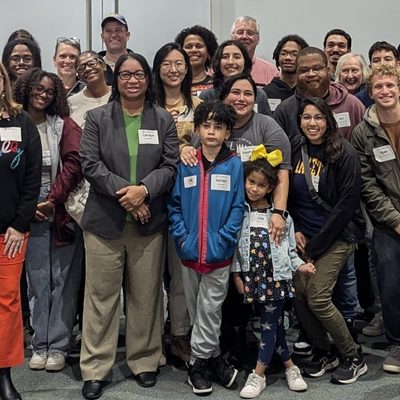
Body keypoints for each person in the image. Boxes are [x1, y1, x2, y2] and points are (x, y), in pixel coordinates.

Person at [79, 53, 179, 399]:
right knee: (101, 299)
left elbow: (170, 165)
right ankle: (95, 368)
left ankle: (144, 359)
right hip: (104, 224)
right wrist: (130, 196)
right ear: (115, 79)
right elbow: (90, 164)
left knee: (146, 296)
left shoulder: (162, 119)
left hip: (148, 225)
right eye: (125, 75)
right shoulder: (97, 118)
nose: (132, 80)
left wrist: (145, 190)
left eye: (138, 74)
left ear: (148, 79)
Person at [182, 74, 291, 369]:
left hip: (245, 226)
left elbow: (282, 171)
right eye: (235, 92)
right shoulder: (201, 143)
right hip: (199, 236)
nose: (241, 98)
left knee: (242, 290)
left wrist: (279, 213)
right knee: (212, 300)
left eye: (248, 93)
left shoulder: (266, 126)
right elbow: (180, 195)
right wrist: (183, 235)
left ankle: (232, 353)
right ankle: (216, 353)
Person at [168, 101, 245, 395]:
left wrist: (225, 238)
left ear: (227, 132)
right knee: (197, 310)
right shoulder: (187, 163)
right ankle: (214, 360)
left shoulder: (234, 164)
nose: (212, 132)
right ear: (198, 129)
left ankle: (196, 366)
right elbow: (175, 204)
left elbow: (237, 205)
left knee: (210, 309)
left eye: (218, 127)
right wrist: (182, 236)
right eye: (206, 126)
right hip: (189, 252)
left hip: (218, 253)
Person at [290, 97, 367, 384]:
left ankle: (353, 356)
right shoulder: (296, 148)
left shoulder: (344, 153)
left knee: (318, 297)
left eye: (319, 117)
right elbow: (291, 196)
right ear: (300, 121)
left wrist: (316, 246)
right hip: (304, 236)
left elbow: (346, 206)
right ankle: (324, 350)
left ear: (328, 120)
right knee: (298, 292)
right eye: (306, 117)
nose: (312, 123)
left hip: (337, 236)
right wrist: (296, 229)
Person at [13, 68, 83, 372]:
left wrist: (53, 199)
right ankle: (39, 343)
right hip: (26, 206)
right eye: (38, 88)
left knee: (63, 279)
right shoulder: (14, 123)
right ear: (27, 88)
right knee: (37, 279)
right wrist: (29, 207)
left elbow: (75, 162)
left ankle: (58, 345)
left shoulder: (63, 124)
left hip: (61, 205)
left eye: (50, 91)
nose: (43, 95)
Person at [232, 146, 314, 398]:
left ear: (270, 189)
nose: (254, 189)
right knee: (274, 325)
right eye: (251, 182)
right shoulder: (240, 214)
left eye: (261, 185)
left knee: (268, 325)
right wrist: (236, 276)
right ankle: (290, 366)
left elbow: (289, 252)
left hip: (276, 280)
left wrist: (301, 265)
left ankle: (258, 374)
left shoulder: (282, 218)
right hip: (253, 279)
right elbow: (235, 250)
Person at [152, 42, 202, 363]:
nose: (174, 69)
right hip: (152, 197)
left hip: (188, 199)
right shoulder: (147, 105)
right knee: (150, 274)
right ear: (158, 68)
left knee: (182, 269)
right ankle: (153, 335)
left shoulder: (199, 106)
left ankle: (180, 333)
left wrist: (190, 150)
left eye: (179, 63)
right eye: (167, 64)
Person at [351, 64, 400, 374]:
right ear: (370, 92)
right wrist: (395, 220)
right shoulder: (362, 132)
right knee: (391, 285)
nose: (385, 91)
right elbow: (368, 185)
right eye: (379, 86)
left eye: (390, 85)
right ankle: (397, 343)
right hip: (386, 222)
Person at [0, 62, 41, 400]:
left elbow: (31, 178)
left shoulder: (21, 122)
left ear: (4, 82)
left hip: (9, 232)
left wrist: (19, 223)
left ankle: (4, 372)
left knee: (8, 303)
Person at [200, 40, 272, 116]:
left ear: (245, 62)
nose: (230, 62)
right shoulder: (207, 95)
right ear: (218, 62)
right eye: (225, 57)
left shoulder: (259, 95)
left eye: (237, 57)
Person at [264, 34, 309, 112]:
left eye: (294, 54)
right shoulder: (266, 93)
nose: (288, 58)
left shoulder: (309, 92)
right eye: (283, 53)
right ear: (277, 57)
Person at [231, 16, 278, 86]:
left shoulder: (272, 72)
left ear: (258, 39)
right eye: (240, 32)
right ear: (232, 37)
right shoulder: (219, 69)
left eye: (250, 33)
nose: (244, 37)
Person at [68, 51, 111, 129]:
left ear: (104, 66)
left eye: (92, 63)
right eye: (81, 68)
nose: (87, 69)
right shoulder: (71, 103)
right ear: (79, 77)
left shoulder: (119, 94)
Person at [175, 25, 218, 96]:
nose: (194, 50)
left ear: (209, 52)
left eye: (199, 46)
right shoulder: (173, 84)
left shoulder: (217, 84)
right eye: (189, 47)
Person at [356, 41, 400, 108]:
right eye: (376, 61)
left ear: (398, 65)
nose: (382, 64)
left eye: (388, 59)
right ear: (370, 67)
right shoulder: (359, 100)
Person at [98, 14, 132, 84]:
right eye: (108, 31)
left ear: (127, 35)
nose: (113, 35)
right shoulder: (94, 69)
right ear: (102, 37)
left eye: (118, 30)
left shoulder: (141, 67)